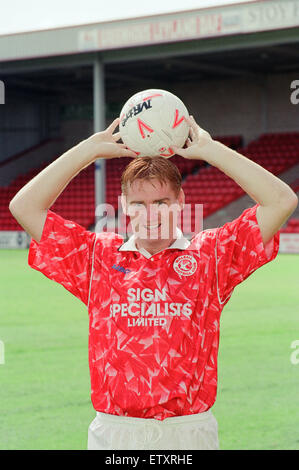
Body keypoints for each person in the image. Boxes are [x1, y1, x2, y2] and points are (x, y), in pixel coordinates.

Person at [9, 116, 298, 450]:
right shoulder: (98, 258)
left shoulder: (209, 257)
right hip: (115, 433)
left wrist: (211, 150)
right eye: (139, 204)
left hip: (188, 432)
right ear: (123, 207)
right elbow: (24, 207)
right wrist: (87, 151)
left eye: (161, 203)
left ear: (180, 204)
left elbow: (282, 201)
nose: (151, 214)